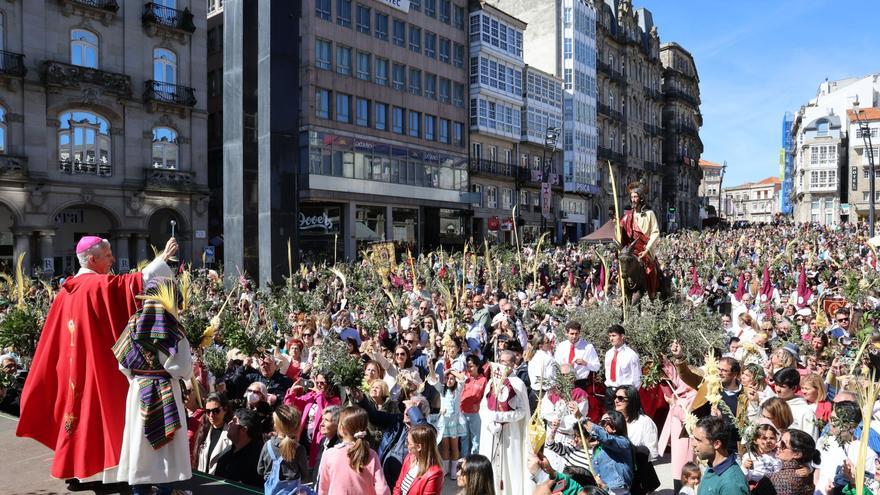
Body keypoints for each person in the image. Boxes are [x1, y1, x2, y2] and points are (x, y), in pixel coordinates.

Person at [17, 236, 177, 482]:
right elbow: (128, 286)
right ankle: (99, 473)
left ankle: (76, 470)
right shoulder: (95, 285)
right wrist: (162, 260)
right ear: (92, 259)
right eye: (108, 255)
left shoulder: (68, 289)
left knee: (76, 415)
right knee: (98, 413)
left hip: (73, 367)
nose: (113, 259)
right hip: (95, 368)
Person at [113, 286, 193, 495]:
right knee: (166, 449)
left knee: (139, 446)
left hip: (138, 390)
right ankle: (164, 490)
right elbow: (182, 369)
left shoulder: (132, 325)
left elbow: (122, 365)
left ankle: (139, 491)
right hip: (166, 389)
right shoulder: (174, 330)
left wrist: (141, 376)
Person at [478, 350, 534, 494]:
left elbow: (522, 412)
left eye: (506, 362)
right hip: (492, 433)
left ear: (513, 364)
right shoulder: (491, 381)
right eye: (500, 361)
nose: (502, 364)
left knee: (509, 466)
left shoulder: (518, 384)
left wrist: (501, 418)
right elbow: (483, 407)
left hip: (510, 433)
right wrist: (491, 423)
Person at [317, 406, 390, 495]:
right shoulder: (371, 454)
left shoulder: (329, 454)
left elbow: (323, 488)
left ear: (341, 429)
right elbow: (382, 489)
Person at [616, 183, 661, 297]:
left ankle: (652, 294)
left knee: (650, 270)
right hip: (631, 250)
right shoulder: (627, 216)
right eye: (632, 197)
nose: (633, 199)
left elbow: (655, 232)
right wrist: (618, 226)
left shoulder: (649, 214)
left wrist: (647, 249)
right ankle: (621, 293)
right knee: (622, 267)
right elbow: (621, 233)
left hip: (644, 249)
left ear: (641, 197)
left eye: (635, 197)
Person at [691, 415, 748, 495]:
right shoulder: (712, 466)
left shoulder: (731, 485)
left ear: (717, 444)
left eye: (698, 440)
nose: (693, 444)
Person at [257, 405, 311, 488]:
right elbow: (304, 474)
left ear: (276, 426)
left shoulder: (267, 445)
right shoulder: (299, 449)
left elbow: (260, 470)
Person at [583, 412, 635, 494]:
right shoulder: (598, 447)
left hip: (618, 490)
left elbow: (606, 438)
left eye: (604, 422)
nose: (601, 426)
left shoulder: (623, 442)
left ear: (616, 424)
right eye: (600, 423)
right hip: (603, 490)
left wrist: (582, 418)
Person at [757, 429, 820, 495]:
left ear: (797, 454)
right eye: (779, 439)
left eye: (783, 444)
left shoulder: (774, 479)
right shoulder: (809, 474)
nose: (777, 444)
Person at [215, 408, 266, 488]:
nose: (229, 423)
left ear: (244, 429)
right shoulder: (226, 452)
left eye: (235, 421)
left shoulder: (258, 459)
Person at [393, 424, 444, 495]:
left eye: (409, 443)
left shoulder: (434, 474)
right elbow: (398, 485)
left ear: (418, 447)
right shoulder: (409, 458)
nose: (406, 444)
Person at [772, 367, 818, 439]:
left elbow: (811, 440)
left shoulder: (805, 412)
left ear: (794, 388)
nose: (777, 389)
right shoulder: (771, 402)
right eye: (776, 384)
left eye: (782, 386)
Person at [553, 321, 601, 388]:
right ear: (566, 333)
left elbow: (597, 366)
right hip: (564, 381)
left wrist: (585, 363)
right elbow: (556, 364)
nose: (574, 336)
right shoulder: (561, 346)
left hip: (580, 383)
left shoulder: (588, 347)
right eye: (572, 334)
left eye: (576, 334)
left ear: (579, 333)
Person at [194, 393, 232, 475]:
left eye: (215, 411)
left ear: (225, 409)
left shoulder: (232, 434)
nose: (211, 415)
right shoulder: (204, 431)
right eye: (208, 411)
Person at [604, 325, 641, 409]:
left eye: (614, 336)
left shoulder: (631, 355)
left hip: (624, 393)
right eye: (610, 336)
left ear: (622, 336)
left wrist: (630, 395)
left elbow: (637, 378)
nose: (611, 339)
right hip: (610, 391)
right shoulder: (608, 353)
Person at [459, 354, 487, 457]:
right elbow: (450, 371)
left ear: (477, 366)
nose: (469, 368)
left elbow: (485, 396)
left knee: (476, 438)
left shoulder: (483, 380)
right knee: (464, 438)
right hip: (462, 411)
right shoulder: (464, 377)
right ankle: (464, 459)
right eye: (467, 366)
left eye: (471, 366)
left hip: (475, 414)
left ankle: (475, 460)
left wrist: (479, 404)